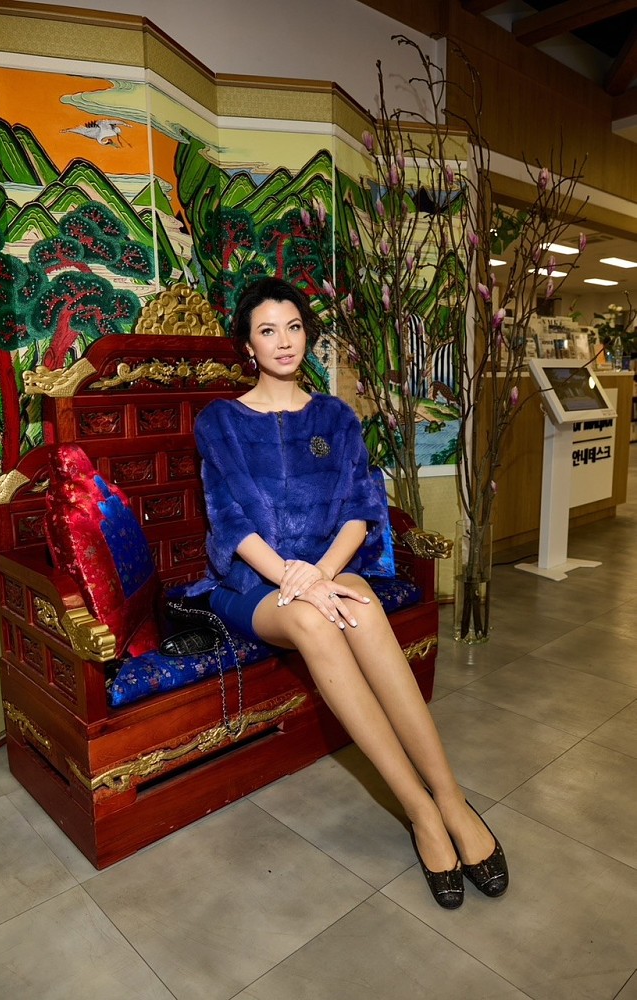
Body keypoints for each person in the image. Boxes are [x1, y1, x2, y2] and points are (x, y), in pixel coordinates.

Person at [194, 276, 508, 908]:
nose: (284, 341)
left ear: (306, 335)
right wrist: (292, 578)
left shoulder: (335, 417)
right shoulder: (220, 422)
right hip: (252, 584)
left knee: (358, 606)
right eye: (267, 331)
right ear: (248, 346)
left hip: (330, 571)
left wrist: (318, 575)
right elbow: (230, 523)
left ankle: (453, 800)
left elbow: (362, 512)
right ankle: (420, 810)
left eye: (293, 327)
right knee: (313, 621)